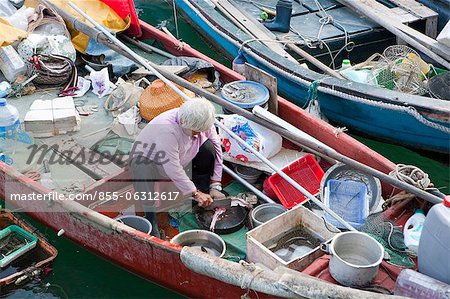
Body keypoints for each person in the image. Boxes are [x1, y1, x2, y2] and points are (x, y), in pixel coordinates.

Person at [129, 97, 225, 237]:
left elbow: (217, 148)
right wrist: (195, 193)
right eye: (196, 132)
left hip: (183, 156)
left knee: (208, 148)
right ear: (184, 123)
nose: (199, 134)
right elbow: (172, 168)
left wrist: (216, 184)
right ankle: (151, 218)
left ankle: (202, 196)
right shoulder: (167, 130)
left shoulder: (202, 119)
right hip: (154, 162)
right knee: (141, 168)